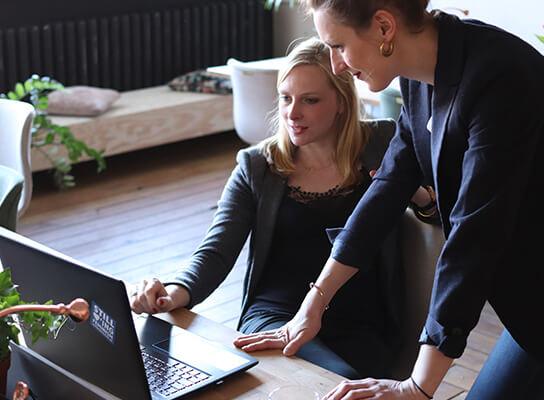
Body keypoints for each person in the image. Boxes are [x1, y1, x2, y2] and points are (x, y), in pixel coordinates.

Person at [234, 1, 544, 399]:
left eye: (338, 46)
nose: (336, 66)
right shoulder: (420, 77)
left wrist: (417, 387)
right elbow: (388, 187)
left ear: (384, 27)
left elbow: (474, 237)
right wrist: (314, 304)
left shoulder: (500, 76)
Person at [130, 37, 406, 379]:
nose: (292, 113)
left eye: (310, 100)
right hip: (275, 316)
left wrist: (422, 198)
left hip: (362, 321)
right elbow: (216, 251)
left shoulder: (383, 143)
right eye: (286, 98)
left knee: (340, 381)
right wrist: (172, 293)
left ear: (341, 102)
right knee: (331, 380)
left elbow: (438, 213)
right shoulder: (258, 166)